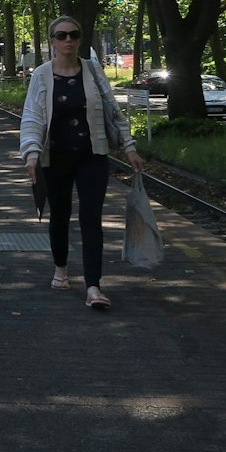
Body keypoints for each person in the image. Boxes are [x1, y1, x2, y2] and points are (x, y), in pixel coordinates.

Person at [18, 16, 143, 310]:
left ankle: (93, 287)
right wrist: (32, 153)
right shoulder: (41, 75)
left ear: (80, 39)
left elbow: (112, 110)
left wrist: (129, 147)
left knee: (91, 218)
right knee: (60, 215)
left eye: (74, 35)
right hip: (56, 157)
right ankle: (61, 268)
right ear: (52, 41)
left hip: (92, 156)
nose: (68, 40)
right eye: (61, 35)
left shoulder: (93, 70)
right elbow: (32, 116)